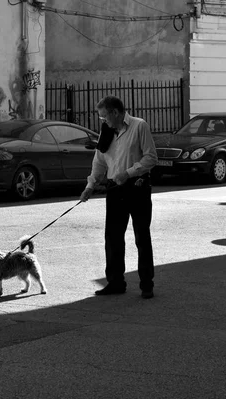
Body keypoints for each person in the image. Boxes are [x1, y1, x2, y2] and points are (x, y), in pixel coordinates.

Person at [80, 95, 158, 299]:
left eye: (104, 116)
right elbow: (99, 161)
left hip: (137, 186)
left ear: (115, 112)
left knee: (142, 236)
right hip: (115, 188)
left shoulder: (139, 126)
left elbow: (151, 157)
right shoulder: (106, 131)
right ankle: (115, 282)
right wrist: (90, 185)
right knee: (113, 237)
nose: (102, 120)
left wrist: (129, 172)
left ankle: (146, 284)